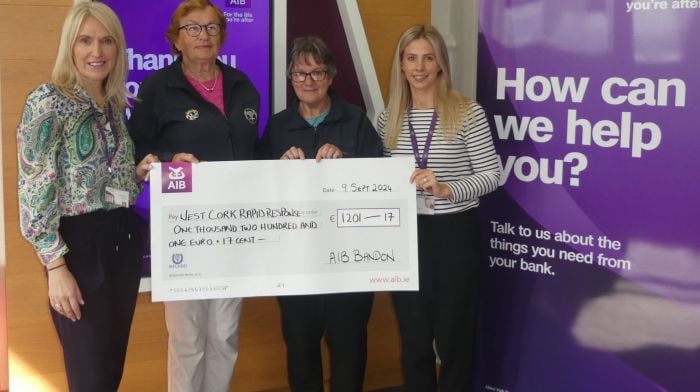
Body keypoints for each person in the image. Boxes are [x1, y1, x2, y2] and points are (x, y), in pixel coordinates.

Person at [16, 2, 157, 391]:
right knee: (90, 377)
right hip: (78, 249)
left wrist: (139, 174)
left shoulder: (113, 106)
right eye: (86, 41)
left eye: (107, 41)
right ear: (70, 47)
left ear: (118, 49)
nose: (97, 52)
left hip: (122, 241)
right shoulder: (48, 101)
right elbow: (34, 188)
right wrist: (56, 268)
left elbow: (107, 186)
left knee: (110, 370)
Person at [127, 0, 260, 390]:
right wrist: (170, 158)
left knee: (225, 335)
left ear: (222, 35)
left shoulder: (243, 86)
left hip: (234, 231)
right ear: (176, 40)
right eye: (193, 29)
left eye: (211, 28)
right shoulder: (158, 89)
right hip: (182, 230)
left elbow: (254, 154)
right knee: (187, 339)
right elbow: (136, 152)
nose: (204, 36)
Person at [376, 25, 502, 391]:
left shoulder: (466, 112)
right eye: (412, 58)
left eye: (428, 58)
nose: (420, 67)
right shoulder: (390, 118)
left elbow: (493, 174)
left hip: (453, 235)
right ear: (400, 65)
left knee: (453, 339)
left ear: (441, 64)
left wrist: (449, 188)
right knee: (414, 341)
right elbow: (381, 176)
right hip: (407, 237)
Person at [257, 36, 382, 392]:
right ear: (291, 78)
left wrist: (348, 165)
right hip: (297, 265)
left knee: (349, 354)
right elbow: (258, 192)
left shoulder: (356, 120)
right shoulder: (278, 127)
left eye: (317, 72)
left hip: (350, 265)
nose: (308, 81)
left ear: (331, 76)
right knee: (300, 353)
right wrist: (278, 167)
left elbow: (381, 184)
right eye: (300, 73)